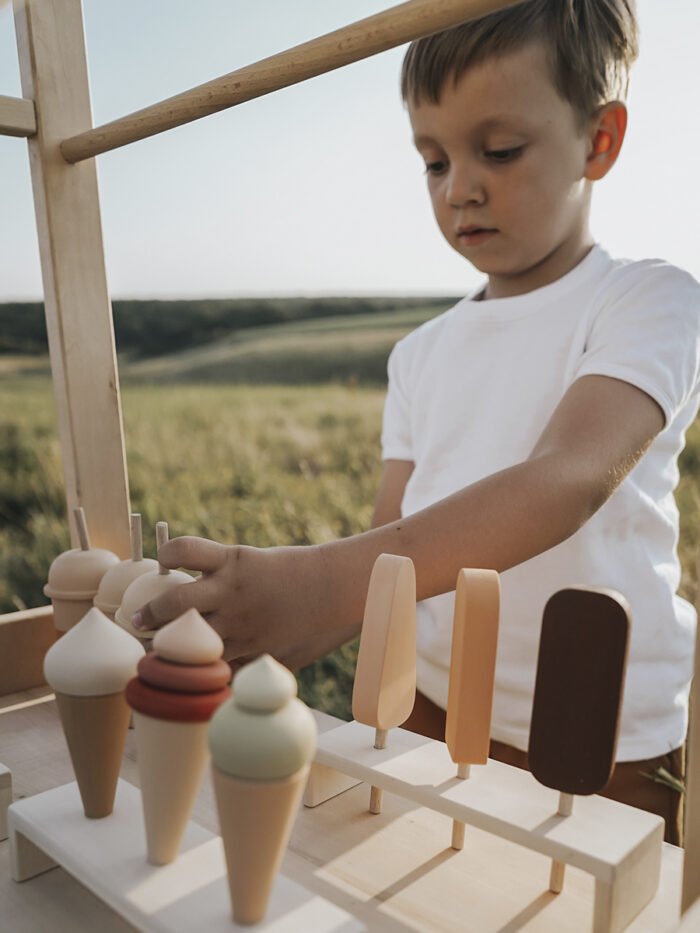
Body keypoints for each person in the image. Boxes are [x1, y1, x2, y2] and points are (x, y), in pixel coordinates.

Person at [133, 0, 700, 844]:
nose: (459, 186)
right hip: (430, 702)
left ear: (600, 140)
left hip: (604, 732)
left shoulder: (648, 300)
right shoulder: (420, 352)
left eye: (498, 151)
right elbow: (387, 546)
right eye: (433, 160)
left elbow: (571, 476)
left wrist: (321, 583)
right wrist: (282, 628)